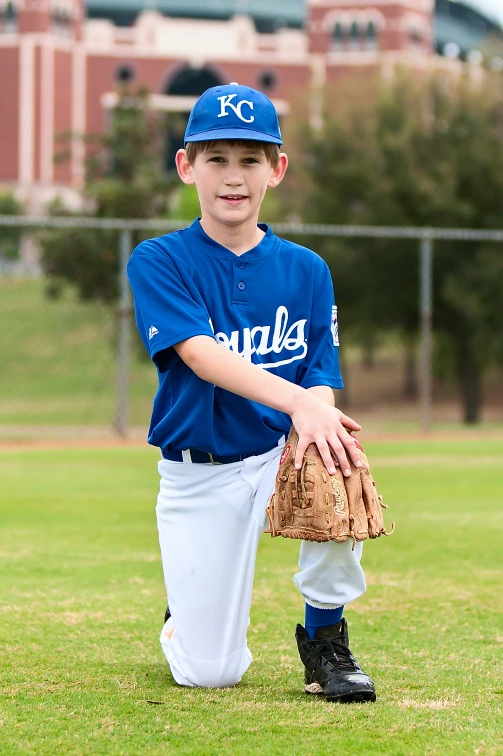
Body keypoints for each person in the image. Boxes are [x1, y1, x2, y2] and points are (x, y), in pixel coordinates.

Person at [127, 82, 376, 703]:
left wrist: (314, 422)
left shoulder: (306, 270)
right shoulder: (160, 259)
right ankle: (185, 613)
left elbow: (319, 372)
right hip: (199, 469)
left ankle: (326, 643)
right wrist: (298, 404)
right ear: (187, 167)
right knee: (211, 672)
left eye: (249, 159)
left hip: (274, 454)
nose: (232, 177)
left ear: (276, 169)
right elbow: (201, 356)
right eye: (216, 159)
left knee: (335, 463)